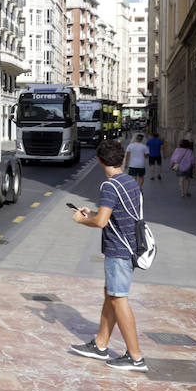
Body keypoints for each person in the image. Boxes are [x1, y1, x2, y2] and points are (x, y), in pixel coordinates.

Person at [67, 139, 147, 372]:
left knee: (119, 300)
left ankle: (136, 357)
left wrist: (84, 220)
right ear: (122, 158)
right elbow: (111, 214)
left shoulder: (109, 186)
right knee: (110, 295)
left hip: (118, 251)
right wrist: (92, 212)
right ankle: (100, 345)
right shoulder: (129, 181)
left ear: (100, 161)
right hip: (129, 248)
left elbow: (101, 222)